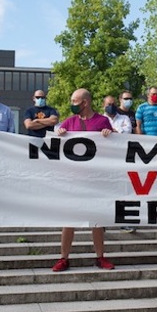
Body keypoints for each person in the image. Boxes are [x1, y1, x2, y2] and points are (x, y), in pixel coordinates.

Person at [52, 89, 115, 271]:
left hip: (96, 180)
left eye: (74, 100)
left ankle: (100, 257)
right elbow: (57, 142)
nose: (72, 103)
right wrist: (60, 134)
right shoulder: (69, 122)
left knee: (97, 221)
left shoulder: (103, 121)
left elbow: (115, 146)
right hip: (73, 180)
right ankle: (63, 258)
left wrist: (109, 134)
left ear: (85, 102)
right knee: (69, 221)